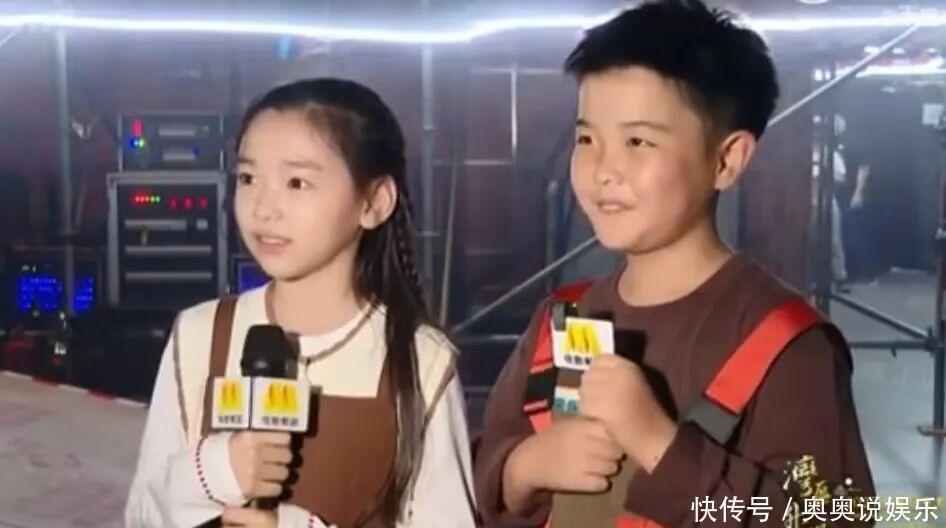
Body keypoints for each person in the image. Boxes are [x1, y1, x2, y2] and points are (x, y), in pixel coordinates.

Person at [473, 1, 875, 526]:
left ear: (726, 160)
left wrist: (660, 445)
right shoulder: (559, 319)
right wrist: (522, 468)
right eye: (587, 138)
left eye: (638, 141)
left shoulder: (789, 347)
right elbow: (484, 470)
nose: (603, 169)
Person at [125, 78, 477, 528]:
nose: (263, 208)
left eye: (296, 182)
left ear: (374, 202)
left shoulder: (422, 360)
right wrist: (213, 471)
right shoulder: (198, 334)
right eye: (248, 178)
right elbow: (140, 516)